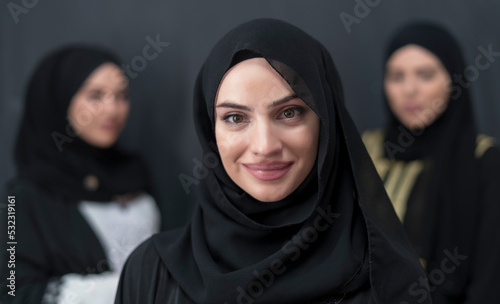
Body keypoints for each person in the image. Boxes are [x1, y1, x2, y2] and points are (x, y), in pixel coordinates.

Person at [115, 18, 430, 304]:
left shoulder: (383, 280)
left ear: (327, 122)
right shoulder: (151, 272)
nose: (265, 146)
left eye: (289, 113)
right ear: (210, 130)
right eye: (236, 117)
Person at [0, 46, 161, 303]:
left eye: (121, 96)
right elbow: (12, 293)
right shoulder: (21, 199)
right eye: (95, 96)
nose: (113, 110)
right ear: (60, 99)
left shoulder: (133, 171)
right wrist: (129, 287)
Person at [362, 22, 500, 303]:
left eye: (425, 75)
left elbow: (489, 282)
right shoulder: (367, 149)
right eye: (397, 77)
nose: (409, 90)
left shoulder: (484, 160)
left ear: (453, 79)